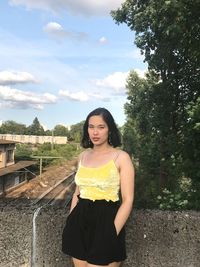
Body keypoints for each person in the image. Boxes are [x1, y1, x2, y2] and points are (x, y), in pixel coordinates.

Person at [62, 107, 135, 267]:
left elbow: (128, 200)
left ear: (110, 130)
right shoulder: (83, 156)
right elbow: (77, 192)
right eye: (91, 126)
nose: (95, 132)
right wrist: (71, 220)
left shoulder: (121, 157)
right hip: (79, 221)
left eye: (101, 127)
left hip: (106, 220)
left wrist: (111, 233)